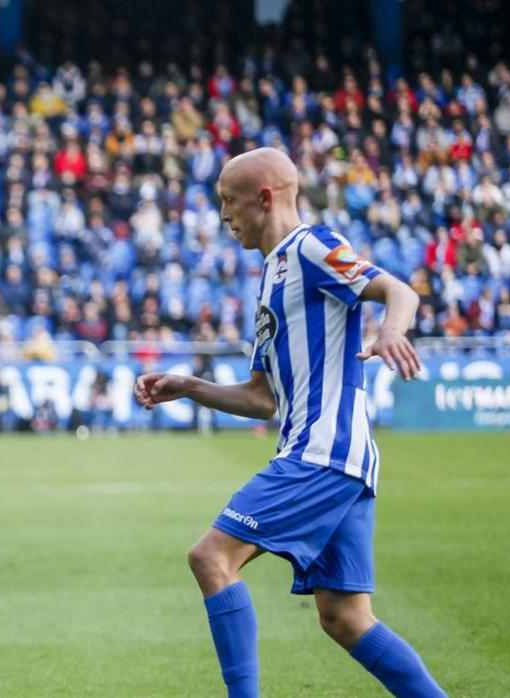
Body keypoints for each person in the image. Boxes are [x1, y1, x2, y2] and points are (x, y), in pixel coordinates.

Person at [134, 147, 445, 698]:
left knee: (211, 558)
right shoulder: (272, 276)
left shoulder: (311, 246)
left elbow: (398, 290)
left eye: (229, 201)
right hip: (338, 459)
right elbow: (262, 399)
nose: (224, 215)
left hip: (320, 453)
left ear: (265, 197)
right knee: (345, 619)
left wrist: (393, 330)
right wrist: (191, 387)